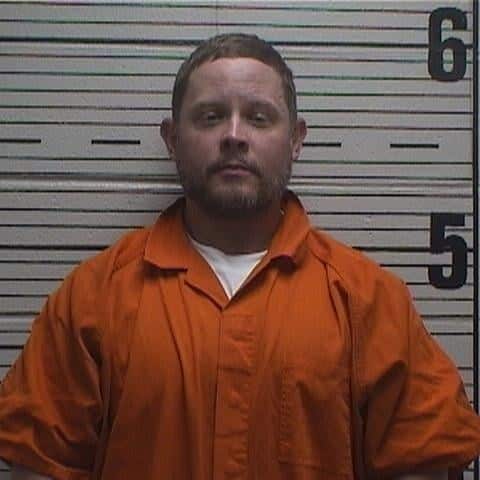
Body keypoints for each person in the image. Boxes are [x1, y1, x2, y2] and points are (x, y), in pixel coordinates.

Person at [0, 33, 479, 480]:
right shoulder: (92, 299)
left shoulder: (370, 301)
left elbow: (425, 460)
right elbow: (38, 463)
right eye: (210, 117)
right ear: (172, 139)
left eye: (259, 117)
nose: (233, 135)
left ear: (296, 139)